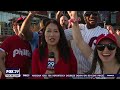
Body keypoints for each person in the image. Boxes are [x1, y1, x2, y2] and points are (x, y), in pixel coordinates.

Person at [69, 11, 120, 79]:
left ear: (116, 49)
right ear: (96, 51)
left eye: (111, 46)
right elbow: (79, 41)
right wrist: (74, 19)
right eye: (100, 47)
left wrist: (114, 33)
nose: (106, 50)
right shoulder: (96, 64)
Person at [65, 11, 109, 75]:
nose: (91, 16)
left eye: (95, 13)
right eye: (88, 14)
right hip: (76, 73)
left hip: (96, 73)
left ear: (98, 16)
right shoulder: (77, 28)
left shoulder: (104, 32)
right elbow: (58, 35)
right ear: (84, 17)